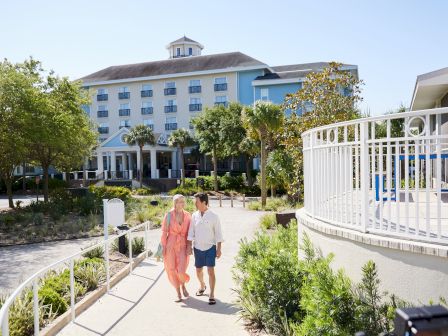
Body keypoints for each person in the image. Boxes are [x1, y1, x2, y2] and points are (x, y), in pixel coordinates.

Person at [187, 192, 224, 305]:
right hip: (197, 248)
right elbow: (191, 232)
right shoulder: (194, 215)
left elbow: (218, 234)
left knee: (210, 270)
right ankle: (202, 285)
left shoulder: (214, 216)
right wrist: (189, 246)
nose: (195, 203)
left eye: (196, 201)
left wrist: (219, 249)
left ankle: (212, 294)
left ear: (204, 202)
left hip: (210, 248)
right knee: (198, 271)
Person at [161, 194, 191, 302]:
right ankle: (178, 291)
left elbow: (189, 233)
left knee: (181, 270)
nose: (181, 204)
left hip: (182, 244)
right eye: (179, 202)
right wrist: (163, 247)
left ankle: (183, 285)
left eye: (183, 202)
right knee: (172, 268)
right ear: (175, 203)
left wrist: (189, 245)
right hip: (170, 245)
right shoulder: (168, 215)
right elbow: (164, 232)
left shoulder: (187, 215)